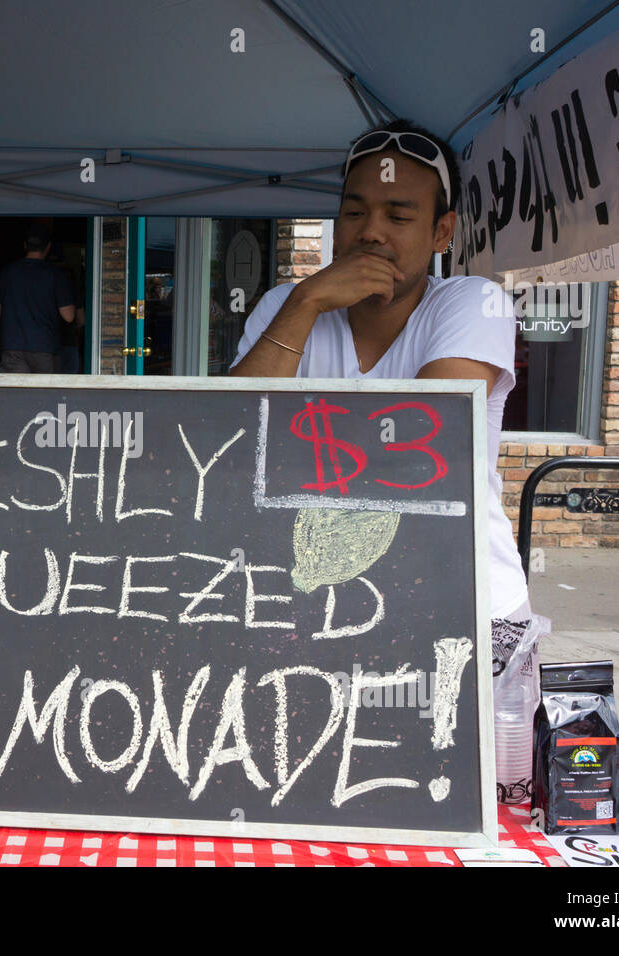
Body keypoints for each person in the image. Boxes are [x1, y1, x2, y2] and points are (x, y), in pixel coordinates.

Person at [229, 118, 531, 641]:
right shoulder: (287, 305)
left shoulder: (472, 302)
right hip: (309, 606)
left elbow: (419, 454)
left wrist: (288, 443)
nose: (370, 231)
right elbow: (230, 442)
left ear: (442, 232)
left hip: (465, 605)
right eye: (353, 212)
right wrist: (306, 302)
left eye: (398, 215)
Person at [0, 223, 76, 373]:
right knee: (43, 395)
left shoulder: (8, 272)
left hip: (12, 348)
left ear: (25, 245)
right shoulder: (55, 275)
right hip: (45, 348)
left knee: (17, 395)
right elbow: (69, 316)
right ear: (48, 247)